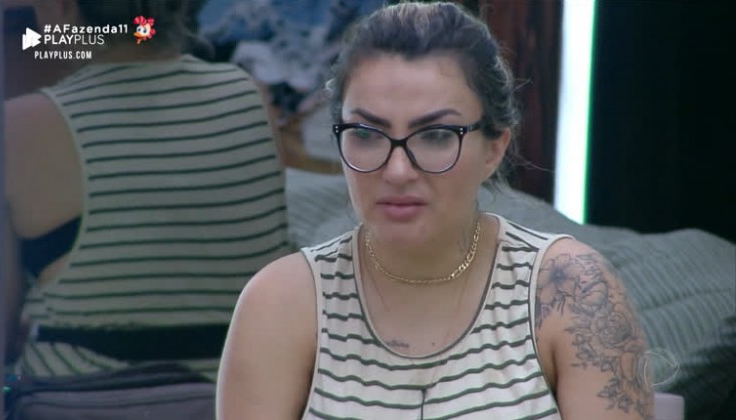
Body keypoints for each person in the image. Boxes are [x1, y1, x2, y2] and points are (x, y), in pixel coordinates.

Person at [217, 2, 654, 419]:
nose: (398, 170)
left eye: (437, 135)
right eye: (366, 133)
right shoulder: (281, 301)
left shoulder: (572, 291)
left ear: (494, 149)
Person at [4, 0, 290, 382]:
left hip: (79, 396)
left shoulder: (17, 126)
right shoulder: (248, 95)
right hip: (241, 390)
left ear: (61, 8)